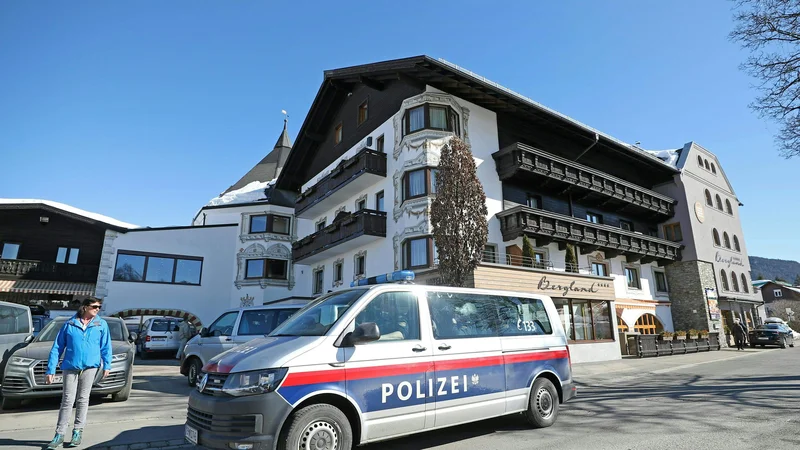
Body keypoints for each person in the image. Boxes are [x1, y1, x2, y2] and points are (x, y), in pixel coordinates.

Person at [45, 297, 112, 449]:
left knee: (83, 399)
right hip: (70, 366)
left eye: (99, 307)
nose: (97, 309)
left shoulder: (101, 324)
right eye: (94, 306)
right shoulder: (70, 324)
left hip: (90, 367)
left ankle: (77, 431)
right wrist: (51, 369)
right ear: (85, 307)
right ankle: (59, 434)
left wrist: (107, 365)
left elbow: (106, 346)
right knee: (67, 400)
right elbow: (57, 347)